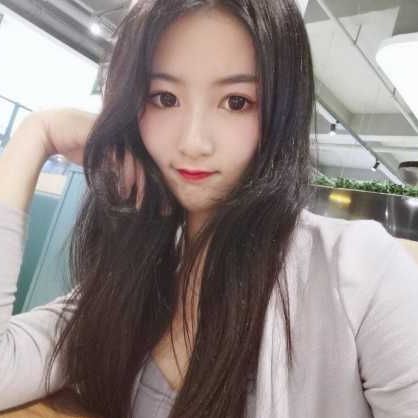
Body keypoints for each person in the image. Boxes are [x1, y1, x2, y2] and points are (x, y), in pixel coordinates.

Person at [1, 1, 418, 417]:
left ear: (282, 111)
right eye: (165, 98)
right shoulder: (131, 285)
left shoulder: (357, 272)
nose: (193, 142)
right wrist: (38, 132)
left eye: (236, 102)